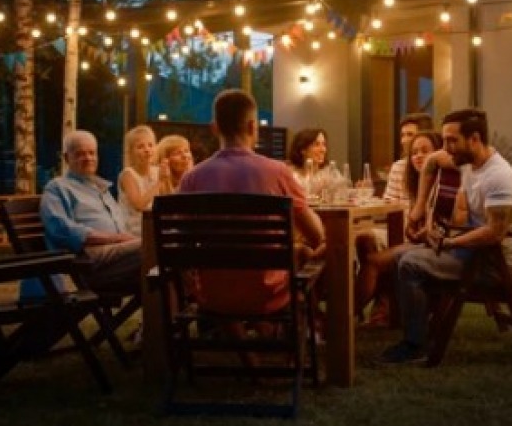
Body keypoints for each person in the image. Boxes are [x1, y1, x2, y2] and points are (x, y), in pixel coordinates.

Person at [379, 109, 512, 363]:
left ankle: (415, 345)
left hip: (494, 265)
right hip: (474, 253)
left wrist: (450, 241)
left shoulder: (498, 177)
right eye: (444, 140)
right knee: (400, 254)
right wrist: (419, 211)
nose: (446, 148)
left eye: (451, 141)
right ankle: (423, 328)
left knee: (410, 263)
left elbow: (494, 232)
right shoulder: (467, 161)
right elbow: (431, 163)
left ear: (474, 139)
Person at [178, 89, 326, 316]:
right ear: (251, 127)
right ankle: (315, 329)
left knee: (226, 277)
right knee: (321, 250)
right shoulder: (277, 172)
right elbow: (316, 235)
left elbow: (181, 238)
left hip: (211, 293)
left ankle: (248, 349)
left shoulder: (192, 178)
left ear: (215, 128)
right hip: (267, 291)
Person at [25, 130, 141, 299]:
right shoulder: (58, 188)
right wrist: (117, 239)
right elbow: (60, 229)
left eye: (91, 153)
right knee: (153, 248)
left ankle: (165, 322)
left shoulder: (102, 189)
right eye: (80, 154)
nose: (88, 158)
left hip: (117, 259)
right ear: (66, 158)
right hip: (87, 264)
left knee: (165, 261)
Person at [355, 131, 443, 327]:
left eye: (425, 151)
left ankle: (342, 318)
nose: (418, 156)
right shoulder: (415, 180)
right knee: (365, 241)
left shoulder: (443, 181)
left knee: (373, 262)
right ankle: (384, 309)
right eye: (414, 152)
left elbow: (441, 225)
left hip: (438, 246)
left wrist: (420, 232)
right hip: (420, 240)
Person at [118, 125, 162, 237]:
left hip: (155, 223)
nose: (147, 150)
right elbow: (139, 205)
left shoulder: (158, 171)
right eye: (140, 147)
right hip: (134, 228)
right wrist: (160, 182)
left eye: (150, 145)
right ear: (131, 152)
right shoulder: (128, 174)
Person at [382, 113, 434, 203]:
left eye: (410, 135)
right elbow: (389, 206)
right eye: (402, 135)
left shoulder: (440, 166)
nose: (404, 141)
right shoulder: (399, 167)